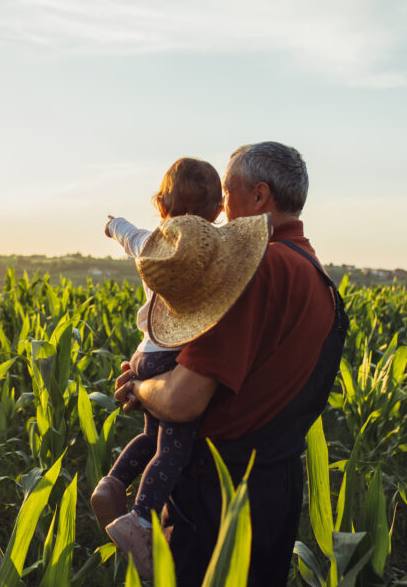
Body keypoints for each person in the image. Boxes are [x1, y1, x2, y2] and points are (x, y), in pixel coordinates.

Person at [113, 141, 349, 586]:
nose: (220, 206)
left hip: (219, 493)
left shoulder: (256, 269)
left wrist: (140, 389)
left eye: (228, 192)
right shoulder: (314, 272)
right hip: (275, 487)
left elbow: (182, 400)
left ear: (259, 197)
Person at [91, 158, 227, 578]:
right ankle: (140, 518)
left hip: (145, 353)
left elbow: (127, 234)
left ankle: (111, 484)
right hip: (175, 354)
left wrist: (114, 225)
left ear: (162, 206)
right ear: (219, 211)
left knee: (150, 439)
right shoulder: (211, 253)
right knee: (174, 447)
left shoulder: (150, 243)